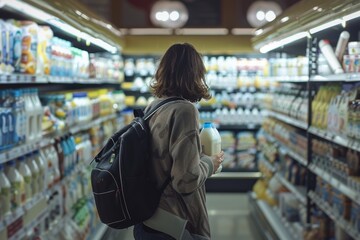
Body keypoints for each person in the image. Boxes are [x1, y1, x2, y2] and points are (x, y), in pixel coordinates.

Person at [133, 43, 224, 240]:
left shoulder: (154, 107)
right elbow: (185, 180)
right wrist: (210, 162)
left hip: (150, 216)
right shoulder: (185, 111)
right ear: (194, 74)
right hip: (174, 223)